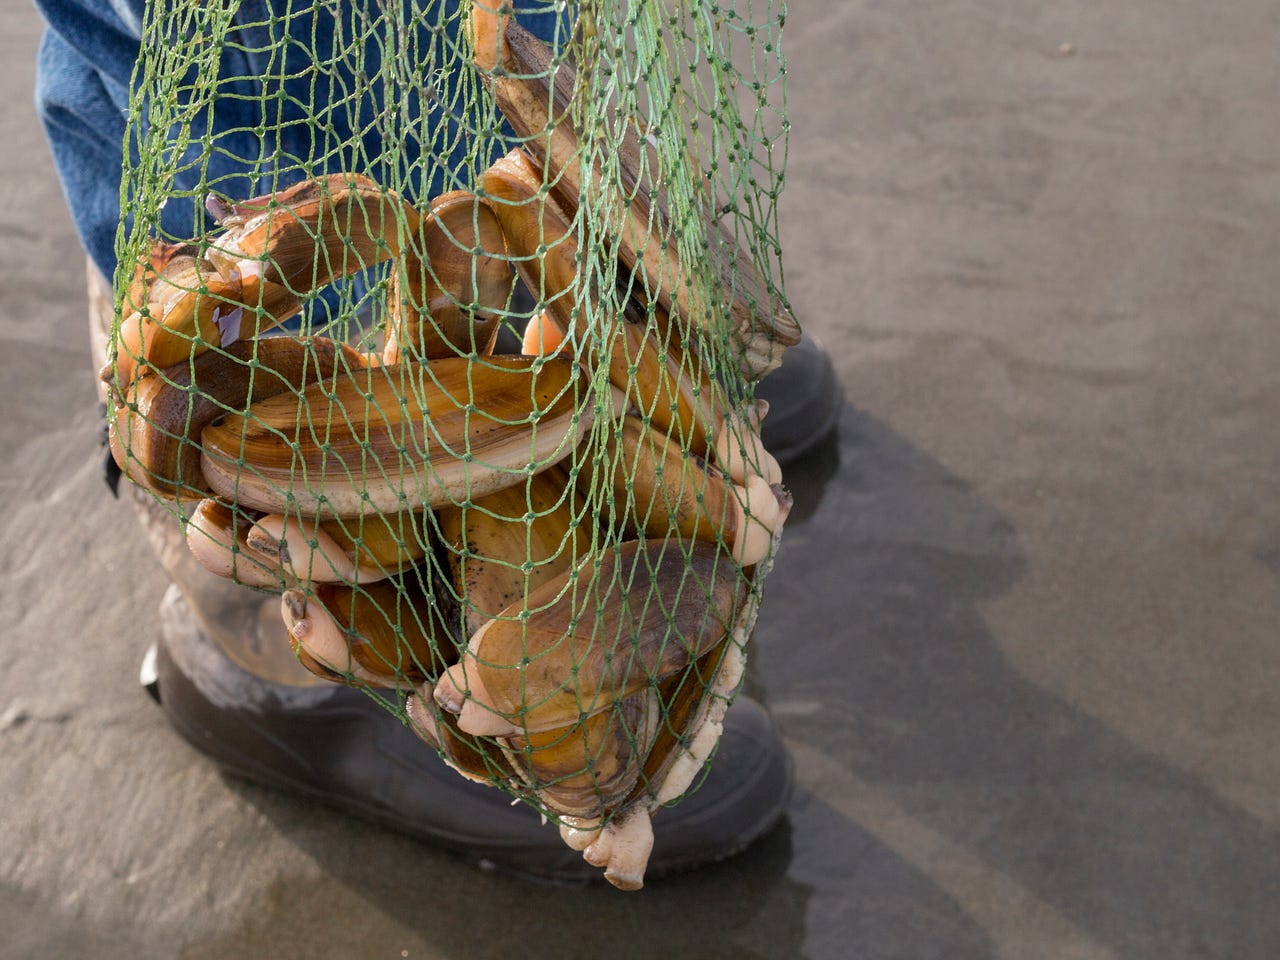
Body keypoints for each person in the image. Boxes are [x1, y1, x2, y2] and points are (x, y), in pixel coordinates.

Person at [35, 0, 841, 882]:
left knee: (489, 75)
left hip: (515, 332)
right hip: (321, 394)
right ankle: (294, 645)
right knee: (262, 58)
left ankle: (601, 375)